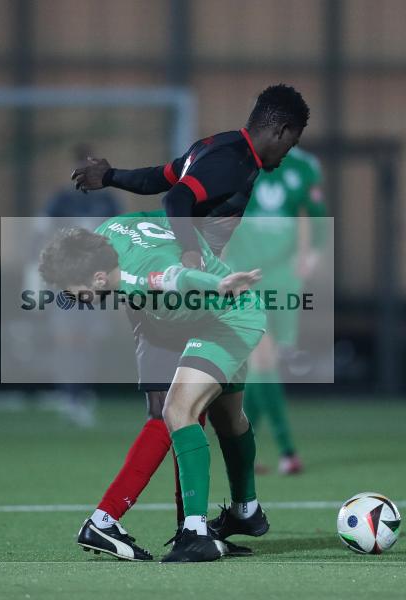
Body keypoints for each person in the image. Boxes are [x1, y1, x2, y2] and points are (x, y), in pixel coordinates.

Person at [66, 84, 310, 561]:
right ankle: (117, 521)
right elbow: (176, 201)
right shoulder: (232, 162)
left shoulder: (214, 145)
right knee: (173, 412)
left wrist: (111, 175)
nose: (289, 151)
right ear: (279, 130)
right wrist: (191, 250)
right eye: (292, 141)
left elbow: (160, 176)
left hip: (183, 290)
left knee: (213, 412)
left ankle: (210, 524)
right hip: (172, 293)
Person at [39, 213, 267, 562]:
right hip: (194, 317)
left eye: (76, 291)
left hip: (223, 319)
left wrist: (215, 284)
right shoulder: (108, 233)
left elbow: (174, 277)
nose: (75, 299)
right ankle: (243, 512)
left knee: (176, 412)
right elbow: (167, 213)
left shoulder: (138, 277)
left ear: (98, 277)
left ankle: (192, 531)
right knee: (226, 418)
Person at [223, 147, 325, 474]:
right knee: (263, 358)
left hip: (282, 275)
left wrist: (311, 254)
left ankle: (238, 445)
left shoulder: (304, 167)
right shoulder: (234, 162)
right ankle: (287, 451)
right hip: (243, 272)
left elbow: (310, 213)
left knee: (264, 367)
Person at [39, 145, 123, 427]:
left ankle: (81, 393)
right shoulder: (61, 201)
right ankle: (68, 394)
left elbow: (119, 237)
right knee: (66, 338)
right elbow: (41, 237)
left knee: (88, 340)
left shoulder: (108, 201)